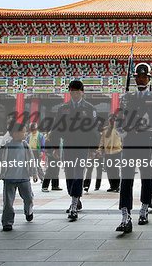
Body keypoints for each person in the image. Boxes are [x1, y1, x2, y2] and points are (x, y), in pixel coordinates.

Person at [116, 62, 152, 233]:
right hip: (130, 140)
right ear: (134, 78)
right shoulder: (126, 97)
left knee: (147, 176)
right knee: (126, 177)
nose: (141, 79)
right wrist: (121, 131)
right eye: (138, 76)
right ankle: (125, 215)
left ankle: (144, 208)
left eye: (144, 76)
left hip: (148, 139)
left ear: (149, 79)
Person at [51, 80, 99, 221]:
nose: (75, 94)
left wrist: (93, 148)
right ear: (69, 92)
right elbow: (56, 129)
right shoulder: (63, 108)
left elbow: (94, 130)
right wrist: (55, 147)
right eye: (72, 91)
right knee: (69, 174)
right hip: (68, 146)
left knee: (78, 173)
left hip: (82, 146)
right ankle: (76, 198)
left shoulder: (90, 108)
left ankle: (73, 205)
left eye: (78, 91)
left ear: (82, 92)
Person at [0, 120, 38, 231]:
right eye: (23, 132)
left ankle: (28, 211)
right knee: (8, 202)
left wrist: (34, 173)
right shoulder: (6, 147)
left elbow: (31, 160)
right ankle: (7, 222)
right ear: (14, 133)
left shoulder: (25, 145)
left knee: (29, 198)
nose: (25, 134)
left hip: (24, 178)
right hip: (9, 179)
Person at [97, 113, 122, 192]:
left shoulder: (119, 129)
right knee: (109, 170)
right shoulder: (105, 130)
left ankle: (117, 186)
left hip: (117, 152)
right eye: (110, 119)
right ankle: (112, 186)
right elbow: (102, 141)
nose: (112, 121)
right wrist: (100, 150)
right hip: (108, 153)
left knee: (115, 169)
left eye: (113, 119)